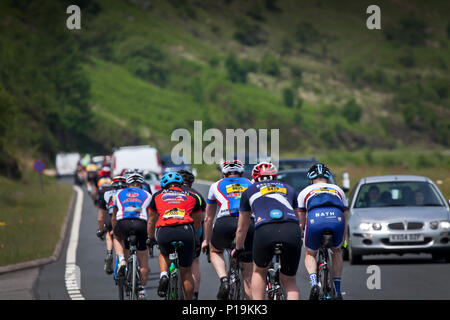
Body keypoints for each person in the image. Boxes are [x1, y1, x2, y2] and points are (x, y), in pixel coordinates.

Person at [234, 161, 302, 300]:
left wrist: (239, 247)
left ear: (255, 178)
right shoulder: (289, 189)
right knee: (290, 281)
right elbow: (299, 220)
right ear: (275, 177)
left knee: (259, 272)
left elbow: (242, 228)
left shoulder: (249, 191)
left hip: (265, 230)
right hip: (291, 230)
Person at [202, 159, 254, 300]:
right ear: (242, 173)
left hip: (225, 222)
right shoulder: (250, 184)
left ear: (223, 174)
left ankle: (224, 279)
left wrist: (206, 240)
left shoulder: (215, 185)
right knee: (248, 276)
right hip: (248, 223)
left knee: (214, 250)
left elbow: (208, 218)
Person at [147, 172, 202, 300]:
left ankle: (163, 275)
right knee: (187, 273)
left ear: (163, 185)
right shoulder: (192, 196)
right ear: (181, 184)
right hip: (185, 230)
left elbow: (151, 220)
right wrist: (196, 238)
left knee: (164, 254)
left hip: (165, 231)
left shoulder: (157, 196)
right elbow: (198, 221)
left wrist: (150, 238)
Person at [297, 163, 347, 300]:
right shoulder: (338, 190)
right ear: (328, 178)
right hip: (336, 218)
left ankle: (314, 283)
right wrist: (344, 239)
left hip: (315, 220)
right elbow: (345, 216)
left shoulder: (305, 192)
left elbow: (301, 221)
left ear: (311, 179)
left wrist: (300, 233)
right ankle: (337, 290)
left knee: (310, 254)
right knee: (337, 252)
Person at [112, 172, 152, 300]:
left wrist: (115, 229)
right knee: (144, 261)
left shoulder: (118, 194)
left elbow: (114, 215)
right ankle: (142, 290)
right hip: (141, 224)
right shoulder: (147, 195)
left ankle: (122, 259)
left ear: (127, 184)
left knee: (117, 238)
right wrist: (151, 235)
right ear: (141, 185)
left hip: (123, 222)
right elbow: (151, 216)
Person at [178, 169, 206, 300]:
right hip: (193, 230)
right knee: (194, 262)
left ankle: (166, 276)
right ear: (191, 183)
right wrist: (204, 239)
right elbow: (203, 219)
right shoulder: (197, 195)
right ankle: (194, 294)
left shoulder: (169, 193)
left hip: (172, 228)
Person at [97, 175, 127, 275]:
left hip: (110, 217)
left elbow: (100, 217)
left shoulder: (106, 194)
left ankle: (109, 252)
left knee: (109, 233)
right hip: (125, 217)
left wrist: (100, 230)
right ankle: (127, 261)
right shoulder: (128, 193)